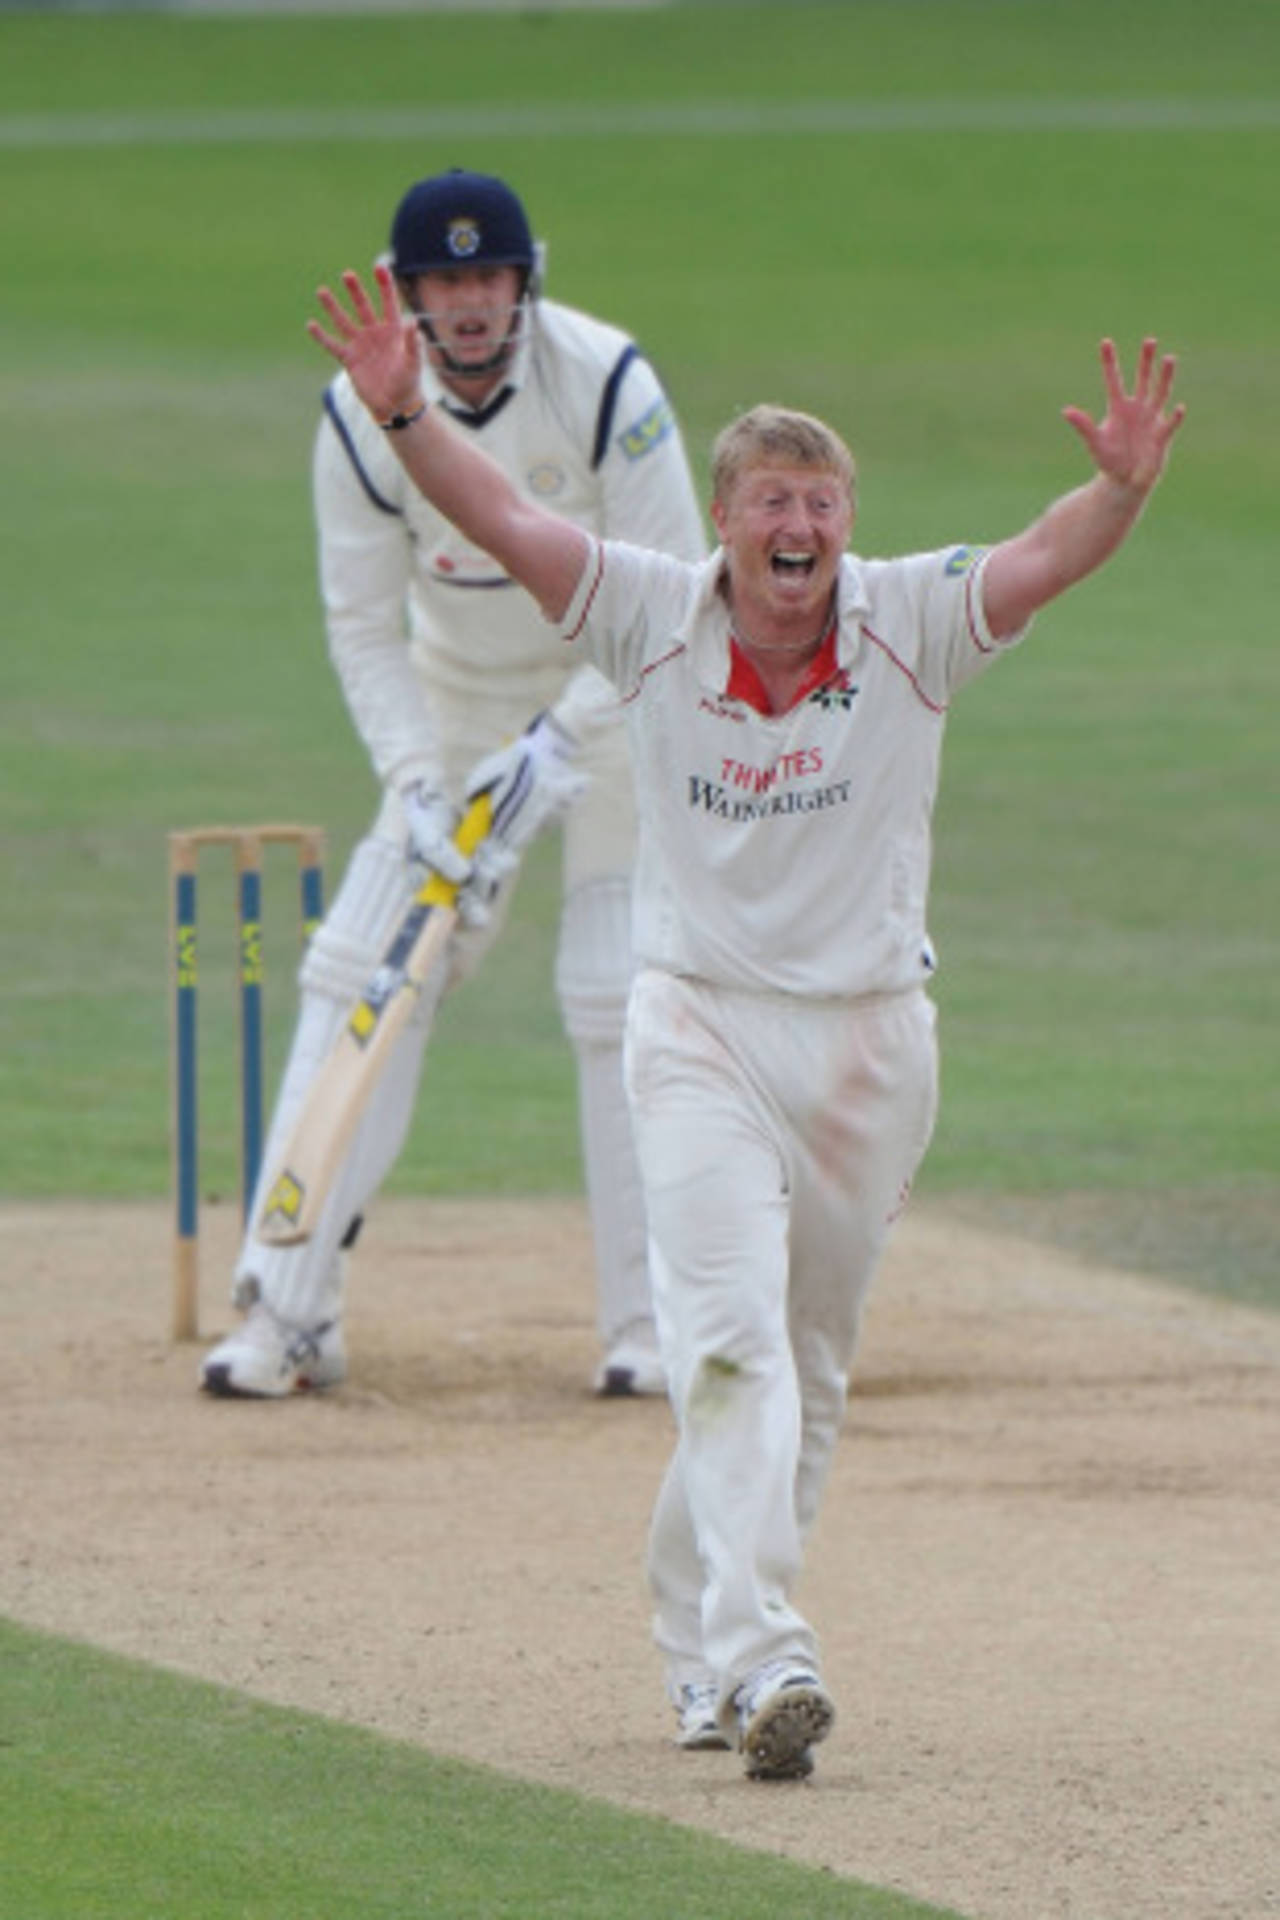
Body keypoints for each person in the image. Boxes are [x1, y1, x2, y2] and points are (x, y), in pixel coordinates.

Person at [307, 263, 1184, 1781]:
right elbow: (508, 525)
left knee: (803, 1360)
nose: (800, 530)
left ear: (849, 520)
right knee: (723, 1345)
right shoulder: (649, 612)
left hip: (866, 1046)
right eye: (773, 502)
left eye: (822, 505)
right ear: (724, 520)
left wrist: (1118, 495)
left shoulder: (910, 617)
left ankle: (701, 1655)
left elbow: (1043, 556)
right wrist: (400, 409)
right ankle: (771, 1650)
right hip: (699, 1025)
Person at [200, 170, 707, 1402]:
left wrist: (560, 744)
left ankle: (651, 1328)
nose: (469, 304)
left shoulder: (606, 385)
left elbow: (677, 596)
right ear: (408, 292)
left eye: (489, 278)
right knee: (362, 971)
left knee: (612, 993)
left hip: (615, 701)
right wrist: (423, 785)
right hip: (453, 712)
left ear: (523, 283)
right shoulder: (354, 413)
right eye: (444, 281)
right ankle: (286, 1311)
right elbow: (363, 627)